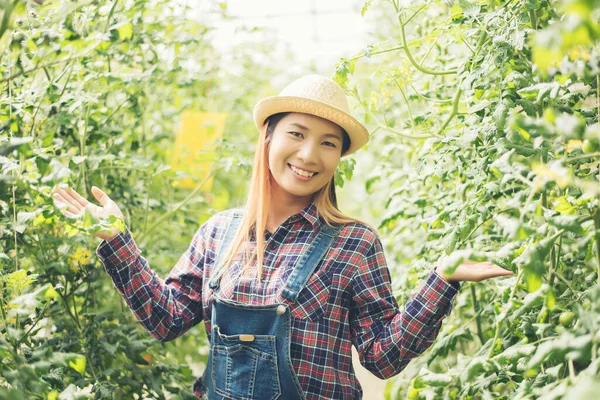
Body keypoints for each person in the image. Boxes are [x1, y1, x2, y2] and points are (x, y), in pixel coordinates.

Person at [52, 74, 513, 400]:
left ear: (338, 158)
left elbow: (382, 358)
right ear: (268, 139)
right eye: (297, 133)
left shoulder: (355, 244)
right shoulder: (219, 233)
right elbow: (166, 319)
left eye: (328, 143)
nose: (309, 154)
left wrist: (442, 280)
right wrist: (115, 238)